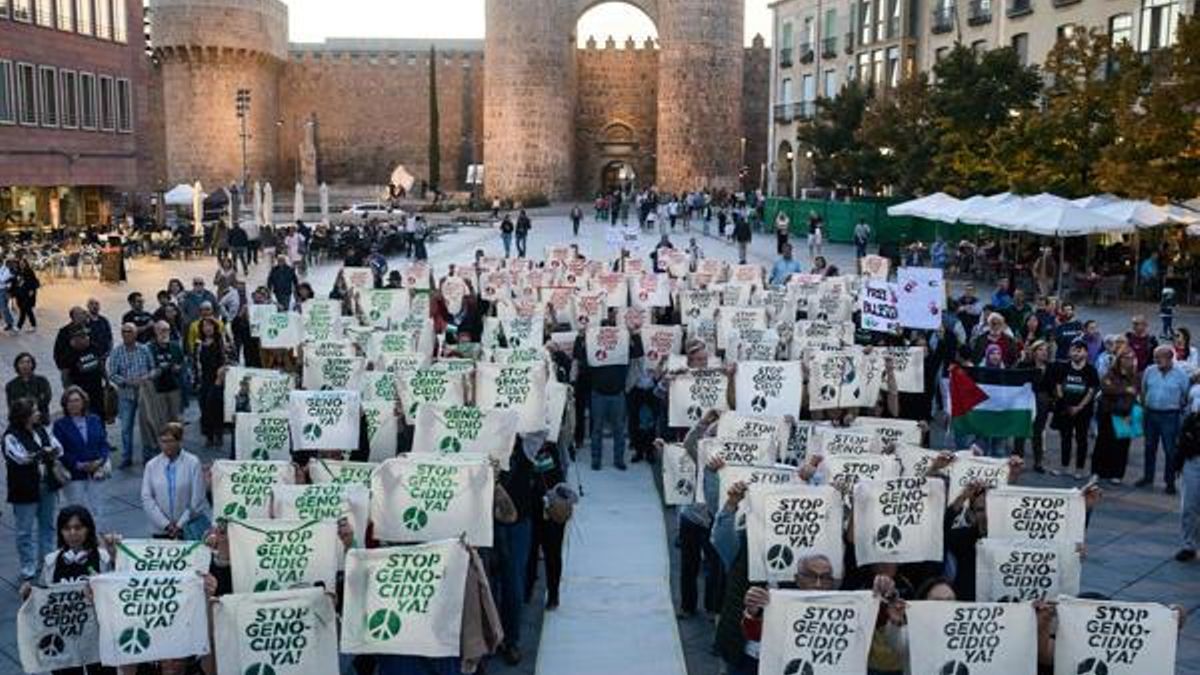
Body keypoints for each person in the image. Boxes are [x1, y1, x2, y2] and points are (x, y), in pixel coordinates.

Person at [573, 316, 644, 470]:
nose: (607, 333)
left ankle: (618, 460)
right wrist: (580, 337)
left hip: (618, 394)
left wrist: (634, 334)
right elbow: (579, 356)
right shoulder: (593, 349)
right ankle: (596, 460)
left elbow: (638, 353)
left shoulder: (623, 348)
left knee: (618, 430)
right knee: (596, 429)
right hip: (598, 394)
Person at [4, 398, 62, 582]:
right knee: (24, 531)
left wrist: (42, 453)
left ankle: (47, 562)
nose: (38, 413)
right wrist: (44, 453)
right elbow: (20, 458)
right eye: (34, 411)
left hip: (47, 484)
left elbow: (58, 448)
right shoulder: (10, 436)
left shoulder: (41, 429)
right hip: (24, 489)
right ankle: (28, 566)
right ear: (24, 416)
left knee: (48, 526)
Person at [140, 422, 211, 540]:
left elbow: (198, 499)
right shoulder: (151, 465)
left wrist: (179, 525)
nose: (167, 445)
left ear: (179, 441)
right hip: (160, 530)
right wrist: (165, 524)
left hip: (188, 528)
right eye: (163, 441)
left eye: (170, 441)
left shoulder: (193, 462)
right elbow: (147, 498)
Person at [53, 386, 111, 519]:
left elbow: (103, 443)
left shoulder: (94, 420)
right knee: (77, 512)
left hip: (96, 472)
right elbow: (60, 452)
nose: (74, 404)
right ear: (65, 405)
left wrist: (100, 461)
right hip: (75, 475)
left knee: (97, 510)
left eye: (77, 400)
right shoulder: (60, 425)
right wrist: (78, 464)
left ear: (84, 402)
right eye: (70, 401)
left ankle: (96, 537)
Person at [1139, 345, 1189, 494]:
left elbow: (1185, 395)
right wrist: (1144, 408)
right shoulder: (1150, 371)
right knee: (1149, 448)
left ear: (1169, 358)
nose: (1156, 360)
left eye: (1159, 357)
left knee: (1170, 450)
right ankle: (1148, 477)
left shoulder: (1181, 375)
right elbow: (1144, 390)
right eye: (1155, 357)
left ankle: (1170, 482)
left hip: (1170, 416)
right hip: (1150, 414)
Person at [107, 323, 157, 468]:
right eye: (124, 331)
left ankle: (147, 456)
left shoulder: (144, 349)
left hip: (144, 393)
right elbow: (112, 374)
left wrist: (146, 378)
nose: (126, 334)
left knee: (146, 426)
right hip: (126, 394)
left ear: (135, 334)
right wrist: (127, 382)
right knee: (125, 428)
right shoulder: (116, 352)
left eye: (129, 331)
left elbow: (153, 368)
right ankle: (126, 457)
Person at [1052, 338, 1098, 479]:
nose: (1076, 353)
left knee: (1081, 439)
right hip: (1065, 410)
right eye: (1073, 350)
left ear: (1086, 353)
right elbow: (1059, 386)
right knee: (1065, 439)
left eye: (1079, 350)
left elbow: (1091, 391)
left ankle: (1079, 469)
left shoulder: (1091, 370)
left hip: (1083, 411)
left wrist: (1079, 407)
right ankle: (1064, 467)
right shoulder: (1063, 367)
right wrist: (1066, 405)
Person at [1093, 348, 1139, 485]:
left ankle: (1117, 474)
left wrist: (1118, 390)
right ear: (1119, 359)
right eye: (1125, 357)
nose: (1128, 360)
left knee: (1122, 446)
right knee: (1103, 443)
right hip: (1108, 412)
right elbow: (1106, 387)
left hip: (1126, 414)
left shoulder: (1135, 376)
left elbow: (1135, 393)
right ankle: (1098, 472)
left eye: (1130, 358)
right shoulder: (1111, 373)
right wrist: (1124, 390)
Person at [1013, 340, 1053, 473]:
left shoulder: (1050, 367)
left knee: (1038, 432)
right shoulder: (1024, 365)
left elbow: (1052, 386)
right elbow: (1015, 378)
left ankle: (1038, 462)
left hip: (1042, 402)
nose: (1044, 352)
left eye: (1046, 350)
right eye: (1040, 349)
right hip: (1025, 400)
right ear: (1034, 351)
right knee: (1021, 430)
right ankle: (1018, 459)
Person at [195, 317, 227, 448]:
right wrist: (196, 381)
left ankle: (219, 435)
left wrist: (222, 373)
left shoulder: (221, 342)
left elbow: (229, 358)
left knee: (216, 407)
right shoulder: (199, 344)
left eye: (209, 325)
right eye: (204, 326)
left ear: (214, 327)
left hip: (218, 379)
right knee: (205, 408)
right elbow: (195, 363)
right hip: (204, 379)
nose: (207, 328)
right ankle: (209, 436)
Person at [1174, 409, 1199, 561]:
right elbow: (1182, 442)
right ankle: (1188, 546)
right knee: (1189, 506)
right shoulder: (1193, 419)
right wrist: (1178, 464)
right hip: (1193, 462)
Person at [6, 352, 52, 418]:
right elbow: (11, 404)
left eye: (28, 362)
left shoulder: (42, 381)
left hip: (40, 417)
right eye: (22, 362)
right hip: (20, 419)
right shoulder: (11, 385)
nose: (25, 365)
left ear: (32, 364)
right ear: (17, 365)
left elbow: (46, 398)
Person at [12, 257, 39, 331]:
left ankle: (19, 326)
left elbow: (34, 282)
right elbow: (16, 283)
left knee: (25, 310)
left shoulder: (29, 271)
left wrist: (32, 290)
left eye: (23, 263)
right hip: (20, 294)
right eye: (20, 264)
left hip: (27, 294)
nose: (21, 265)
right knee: (26, 310)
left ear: (26, 264)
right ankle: (33, 325)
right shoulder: (18, 271)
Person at [0, 256, 15, 331]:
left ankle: (11, 323)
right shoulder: (3, 269)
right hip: (1, 290)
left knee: (6, 307)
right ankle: (9, 323)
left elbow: (2, 279)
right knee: (3, 308)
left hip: (6, 290)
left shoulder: (8, 269)